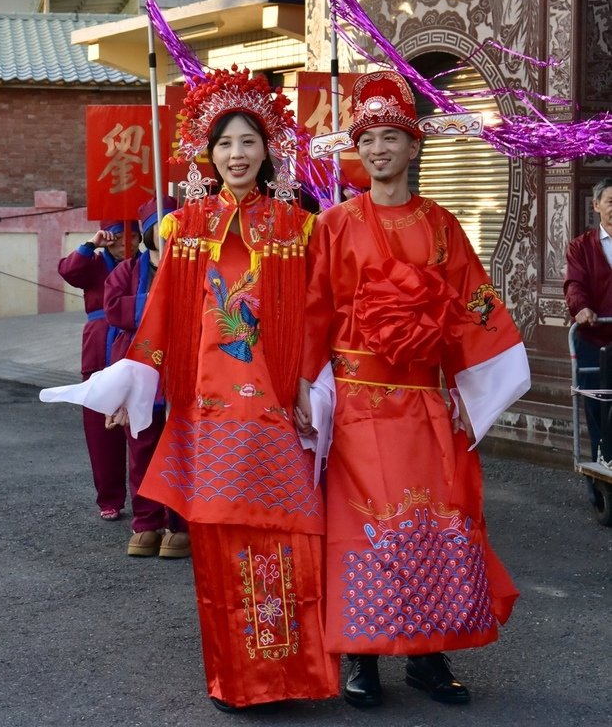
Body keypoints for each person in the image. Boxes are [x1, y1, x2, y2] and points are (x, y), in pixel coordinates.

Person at [43, 67, 340, 712]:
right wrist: (132, 387)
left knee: (284, 537)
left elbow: (319, 312)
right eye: (226, 143)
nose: (237, 155)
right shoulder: (182, 230)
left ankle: (286, 674)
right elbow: (160, 320)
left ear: (268, 151)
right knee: (216, 546)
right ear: (209, 153)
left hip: (273, 412)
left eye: (249, 142)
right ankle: (237, 679)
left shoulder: (298, 229)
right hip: (205, 411)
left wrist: (310, 387)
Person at [297, 69, 531, 709]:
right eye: (368, 138)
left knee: (431, 522)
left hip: (423, 402)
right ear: (358, 148)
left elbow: (472, 302)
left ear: (414, 145)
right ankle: (362, 657)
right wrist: (304, 387)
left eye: (392, 137)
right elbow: (315, 310)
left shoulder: (441, 224)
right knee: (361, 528)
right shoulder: (335, 224)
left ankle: (429, 655)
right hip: (357, 403)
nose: (379, 149)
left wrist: (479, 375)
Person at [103, 195, 191, 559]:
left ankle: (179, 525)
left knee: (180, 450)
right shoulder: (127, 271)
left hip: (180, 369)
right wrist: (156, 306)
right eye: (160, 227)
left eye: (174, 226)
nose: (167, 234)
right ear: (147, 232)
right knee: (142, 449)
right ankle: (146, 522)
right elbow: (113, 310)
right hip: (141, 370)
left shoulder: (190, 265)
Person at [57, 219, 140, 520]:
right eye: (116, 237)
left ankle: (146, 500)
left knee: (141, 426)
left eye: (130, 237)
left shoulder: (145, 265)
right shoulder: (92, 263)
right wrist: (91, 243)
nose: (122, 243)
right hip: (99, 350)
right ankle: (110, 498)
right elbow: (68, 271)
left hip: (135, 348)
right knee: (99, 430)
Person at [564, 176, 612, 468]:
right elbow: (574, 284)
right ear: (596, 206)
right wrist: (581, 308)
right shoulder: (580, 247)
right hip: (594, 341)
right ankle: (600, 480)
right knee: (598, 412)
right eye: (611, 202)